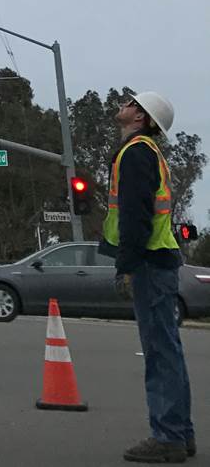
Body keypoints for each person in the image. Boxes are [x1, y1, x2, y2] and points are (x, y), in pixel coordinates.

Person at [99, 90, 194, 463]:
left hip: (150, 264)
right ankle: (179, 435)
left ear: (141, 117)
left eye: (131, 103)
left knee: (159, 352)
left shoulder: (136, 154)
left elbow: (134, 217)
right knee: (167, 350)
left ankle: (168, 437)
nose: (124, 106)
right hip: (158, 261)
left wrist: (126, 266)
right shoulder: (144, 153)